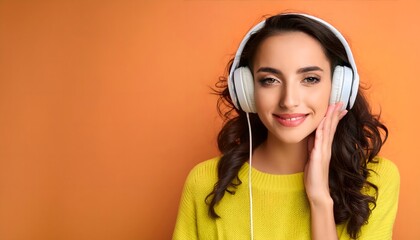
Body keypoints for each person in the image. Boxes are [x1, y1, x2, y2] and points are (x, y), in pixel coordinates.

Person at [173, 12, 399, 240]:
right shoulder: (205, 182)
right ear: (247, 91)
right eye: (270, 80)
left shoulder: (375, 180)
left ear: (339, 87)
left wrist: (320, 199)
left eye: (310, 79)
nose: (289, 100)